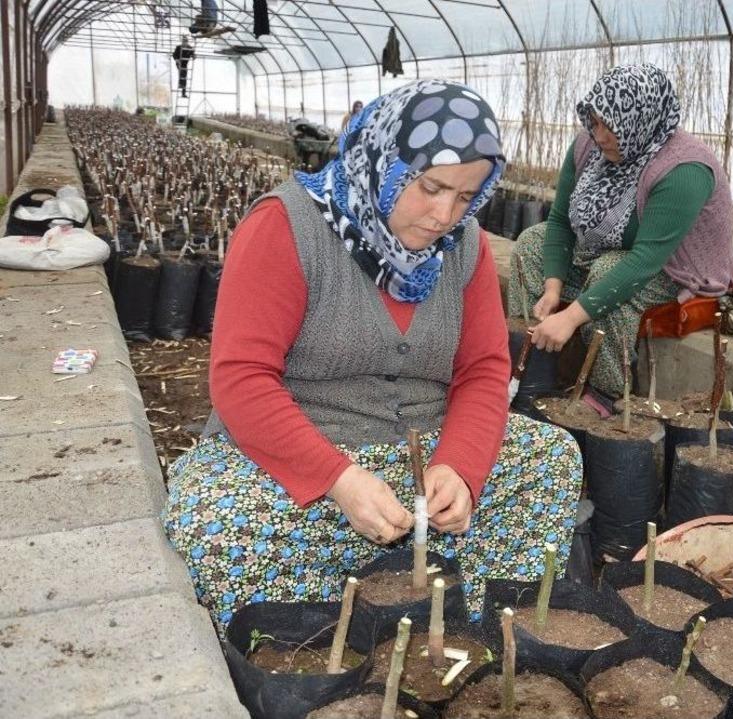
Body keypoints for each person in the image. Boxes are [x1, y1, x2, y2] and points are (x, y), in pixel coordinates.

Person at [162, 80, 583, 627]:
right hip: (300, 453)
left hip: (423, 451)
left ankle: (475, 635)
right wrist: (340, 480)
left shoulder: (466, 247)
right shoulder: (287, 227)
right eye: (430, 186)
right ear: (386, 162)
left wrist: (459, 467)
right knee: (216, 524)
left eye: (464, 197)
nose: (443, 215)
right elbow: (241, 379)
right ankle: (317, 655)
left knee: (551, 458)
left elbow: (483, 371)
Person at [508, 63, 733, 398]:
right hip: (605, 251)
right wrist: (553, 289)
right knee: (530, 243)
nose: (599, 135)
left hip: (676, 270)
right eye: (595, 121)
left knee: (608, 274)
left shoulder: (684, 170)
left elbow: (644, 260)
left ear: (640, 120)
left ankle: (606, 395)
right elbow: (559, 221)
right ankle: (529, 376)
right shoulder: (589, 146)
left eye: (611, 126)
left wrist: (571, 317)